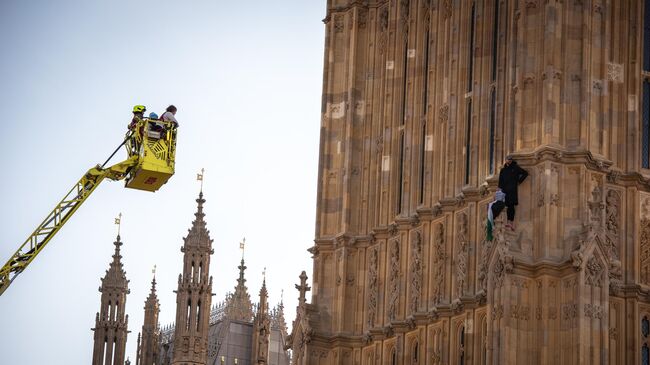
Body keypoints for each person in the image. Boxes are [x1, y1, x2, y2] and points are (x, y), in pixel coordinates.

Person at [498, 155, 528, 230]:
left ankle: (510, 223)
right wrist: (499, 190)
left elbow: (525, 173)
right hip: (504, 191)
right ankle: (506, 222)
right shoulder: (503, 170)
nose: (509, 161)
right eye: (507, 159)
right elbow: (500, 181)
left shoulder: (515, 167)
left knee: (511, 207)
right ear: (506, 160)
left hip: (512, 191)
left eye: (510, 159)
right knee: (505, 206)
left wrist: (519, 181)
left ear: (511, 160)